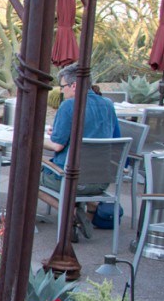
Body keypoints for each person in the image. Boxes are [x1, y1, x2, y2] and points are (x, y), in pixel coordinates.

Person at [42, 63, 121, 235]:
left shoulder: (69, 106)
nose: (61, 91)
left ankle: (71, 214)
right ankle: (85, 217)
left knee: (27, 176)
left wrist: (36, 139)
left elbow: (57, 145)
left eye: (62, 87)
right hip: (101, 181)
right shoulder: (108, 104)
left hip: (72, 179)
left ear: (74, 85)